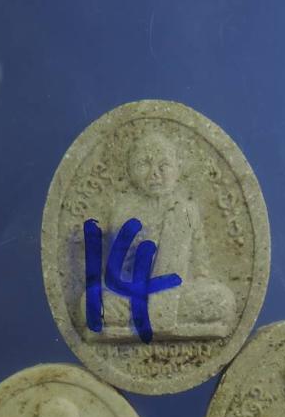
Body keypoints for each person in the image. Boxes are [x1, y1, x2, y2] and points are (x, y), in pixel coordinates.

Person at [80, 132, 236, 340]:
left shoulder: (187, 210)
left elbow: (200, 267)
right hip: (135, 297)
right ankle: (154, 317)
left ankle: (156, 317)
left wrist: (198, 280)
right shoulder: (124, 210)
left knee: (223, 300)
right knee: (90, 303)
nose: (154, 174)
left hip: (178, 296)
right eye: (144, 165)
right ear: (131, 171)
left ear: (178, 169)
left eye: (164, 166)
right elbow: (119, 271)